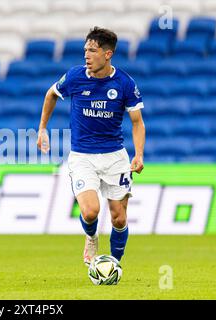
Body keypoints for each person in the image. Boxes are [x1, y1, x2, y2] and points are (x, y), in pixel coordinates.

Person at [37, 27, 145, 266]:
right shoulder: (75, 77)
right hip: (82, 156)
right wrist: (42, 128)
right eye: (85, 50)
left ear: (108, 54)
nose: (86, 55)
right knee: (90, 212)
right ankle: (91, 236)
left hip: (115, 156)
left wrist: (138, 154)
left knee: (118, 218)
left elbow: (137, 122)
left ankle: (114, 265)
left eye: (92, 50)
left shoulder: (125, 83)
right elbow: (51, 94)